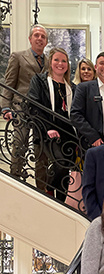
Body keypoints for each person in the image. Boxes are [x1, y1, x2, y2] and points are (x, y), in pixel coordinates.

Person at [1, 24, 48, 188]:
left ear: (46, 41)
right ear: (30, 39)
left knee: (41, 148)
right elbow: (9, 84)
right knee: (19, 144)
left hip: (42, 111)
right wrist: (5, 107)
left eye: (43, 36)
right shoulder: (18, 56)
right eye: (36, 35)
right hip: (22, 107)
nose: (40, 38)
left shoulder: (50, 61)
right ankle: (15, 181)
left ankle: (41, 188)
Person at [27, 47, 76, 201]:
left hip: (69, 134)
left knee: (65, 171)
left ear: (67, 65)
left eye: (64, 61)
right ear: (50, 62)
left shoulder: (72, 87)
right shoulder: (39, 81)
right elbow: (33, 106)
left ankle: (62, 204)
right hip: (47, 132)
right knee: (60, 164)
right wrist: (48, 128)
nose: (60, 64)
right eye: (56, 60)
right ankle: (48, 190)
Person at [71, 52, 104, 150]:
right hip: (94, 144)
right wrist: (93, 136)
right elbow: (75, 115)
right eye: (101, 63)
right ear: (96, 67)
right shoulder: (84, 88)